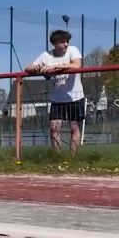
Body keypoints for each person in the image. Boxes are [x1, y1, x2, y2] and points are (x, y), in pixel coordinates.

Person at [26, 29, 85, 157]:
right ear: (54, 44)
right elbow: (28, 67)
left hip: (75, 97)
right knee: (54, 128)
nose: (66, 45)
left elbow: (77, 65)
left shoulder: (72, 50)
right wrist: (37, 68)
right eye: (62, 42)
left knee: (74, 128)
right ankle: (57, 157)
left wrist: (56, 68)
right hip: (57, 99)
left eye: (67, 41)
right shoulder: (46, 55)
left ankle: (72, 158)